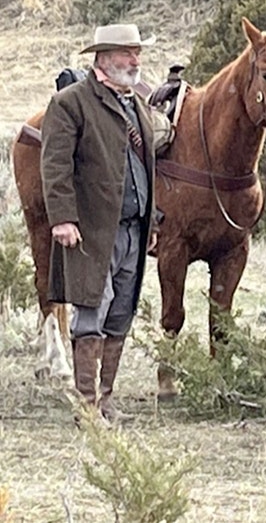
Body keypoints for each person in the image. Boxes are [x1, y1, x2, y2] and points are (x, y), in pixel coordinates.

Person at [42, 23, 159, 423]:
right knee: (92, 310)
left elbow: (144, 166)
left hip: (132, 229)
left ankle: (105, 401)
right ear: (103, 59)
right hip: (91, 229)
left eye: (136, 53)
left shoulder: (135, 106)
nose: (135, 60)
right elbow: (54, 164)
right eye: (127, 53)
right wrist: (62, 218)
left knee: (120, 313)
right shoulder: (71, 103)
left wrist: (151, 218)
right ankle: (87, 408)